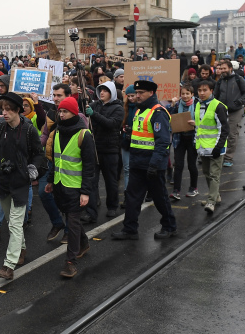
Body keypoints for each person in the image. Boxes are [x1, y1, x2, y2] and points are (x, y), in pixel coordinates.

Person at [111, 80, 177, 240]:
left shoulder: (158, 112)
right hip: (137, 163)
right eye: (136, 93)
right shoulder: (140, 111)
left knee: (160, 198)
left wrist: (154, 164)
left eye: (141, 93)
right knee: (133, 198)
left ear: (151, 93)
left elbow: (162, 142)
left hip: (152, 165)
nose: (137, 96)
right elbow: (139, 137)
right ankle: (130, 229)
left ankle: (169, 227)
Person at [0, 92, 45, 280]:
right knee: (11, 222)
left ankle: (9, 265)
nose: (4, 113)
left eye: (8, 110)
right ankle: (21, 249)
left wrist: (32, 169)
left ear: (18, 111)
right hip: (3, 182)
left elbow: (39, 154)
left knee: (14, 223)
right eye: (3, 109)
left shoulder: (29, 130)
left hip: (21, 182)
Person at [45, 96, 96, 278]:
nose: (61, 114)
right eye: (60, 111)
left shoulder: (84, 134)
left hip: (75, 188)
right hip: (60, 185)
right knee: (71, 220)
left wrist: (85, 192)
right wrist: (51, 181)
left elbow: (90, 166)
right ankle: (83, 244)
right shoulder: (58, 131)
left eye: (65, 111)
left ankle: (70, 262)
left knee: (72, 223)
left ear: (74, 113)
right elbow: (55, 159)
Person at [192, 80, 228, 213]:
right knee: (207, 173)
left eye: (204, 90)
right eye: (199, 90)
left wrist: (218, 147)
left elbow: (224, 128)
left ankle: (211, 201)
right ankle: (215, 196)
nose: (201, 93)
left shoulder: (218, 106)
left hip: (215, 147)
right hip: (203, 147)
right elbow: (199, 127)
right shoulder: (198, 105)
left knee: (214, 175)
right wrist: (196, 143)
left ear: (211, 91)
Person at [87, 81, 123, 216]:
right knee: (91, 181)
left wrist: (94, 114)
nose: (102, 93)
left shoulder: (117, 108)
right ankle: (91, 211)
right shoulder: (95, 105)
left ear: (112, 93)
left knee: (111, 181)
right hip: (94, 148)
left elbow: (111, 124)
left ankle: (112, 206)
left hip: (110, 149)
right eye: (100, 90)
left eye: (105, 90)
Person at [213, 59, 245, 168]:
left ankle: (228, 157)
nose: (222, 70)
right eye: (221, 68)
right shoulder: (220, 81)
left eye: (224, 68)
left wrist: (240, 101)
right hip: (222, 111)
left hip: (235, 111)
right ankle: (220, 153)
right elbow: (216, 95)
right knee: (220, 133)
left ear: (230, 68)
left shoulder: (239, 79)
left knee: (232, 134)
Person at [169, 84, 198, 200]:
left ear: (192, 94)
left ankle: (193, 188)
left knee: (192, 165)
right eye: (183, 94)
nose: (185, 96)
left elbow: (202, 119)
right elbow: (169, 117)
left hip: (192, 139)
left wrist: (195, 123)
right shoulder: (176, 105)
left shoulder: (197, 105)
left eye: (187, 94)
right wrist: (172, 105)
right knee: (178, 165)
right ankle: (176, 190)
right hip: (179, 139)